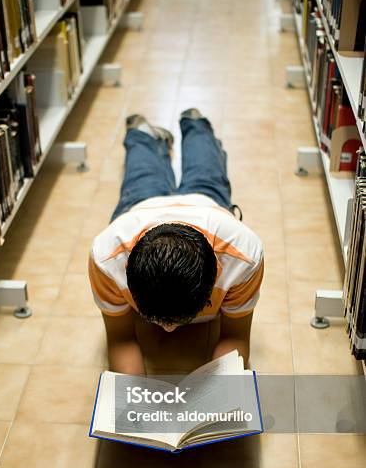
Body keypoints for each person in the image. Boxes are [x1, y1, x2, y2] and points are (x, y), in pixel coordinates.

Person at [88, 108, 264, 375]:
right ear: (129, 278)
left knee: (206, 166)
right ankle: (145, 134)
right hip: (140, 206)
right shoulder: (107, 259)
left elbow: (235, 336)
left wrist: (223, 392)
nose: (168, 330)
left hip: (208, 204)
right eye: (153, 319)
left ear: (214, 281)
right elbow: (121, 338)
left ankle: (194, 123)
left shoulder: (243, 257)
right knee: (142, 172)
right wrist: (135, 399)